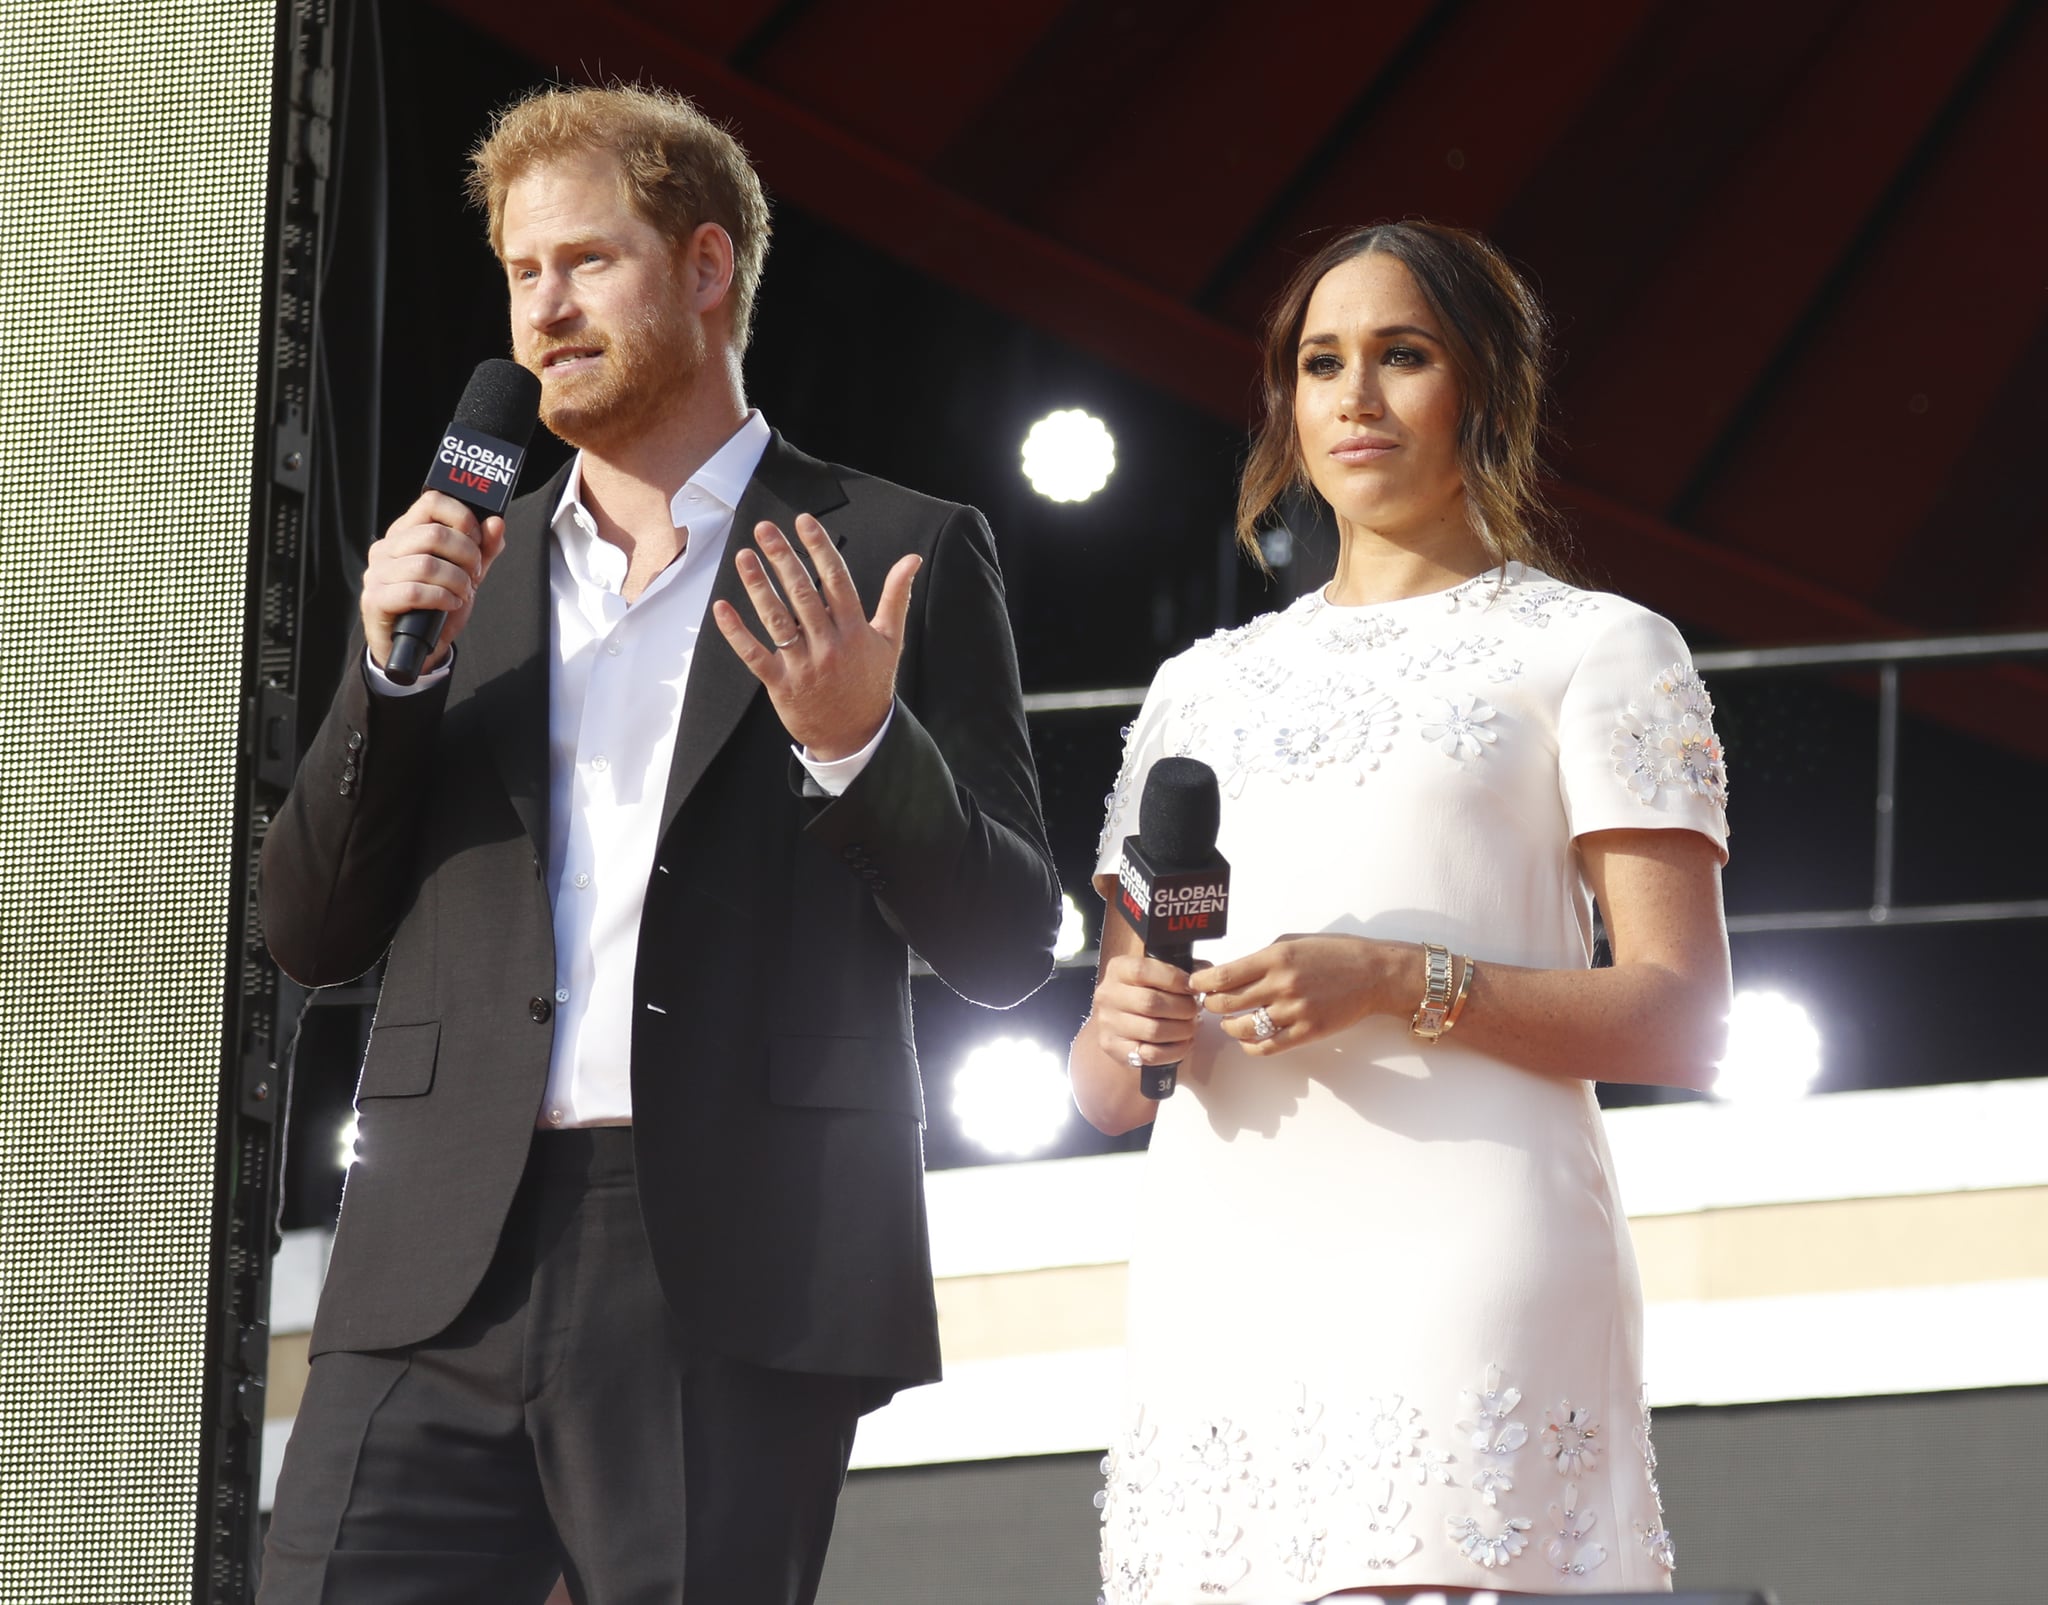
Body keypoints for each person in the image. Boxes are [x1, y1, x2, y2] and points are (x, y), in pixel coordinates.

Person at [258, 83, 1059, 1604]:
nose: (542, 311)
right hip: (434, 1250)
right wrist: (396, 675)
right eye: (518, 273)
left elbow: (1010, 941)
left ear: (705, 269)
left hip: (730, 1254)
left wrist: (857, 739)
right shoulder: (458, 574)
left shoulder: (893, 548)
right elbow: (307, 927)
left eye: (585, 264)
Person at [1070, 222, 1731, 1602]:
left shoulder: (1595, 646)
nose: (1355, 397)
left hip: (1469, 1248)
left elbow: (1683, 1019)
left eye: (1402, 355)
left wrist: (1395, 977)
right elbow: (1108, 1086)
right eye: (1322, 363)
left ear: (1483, 390)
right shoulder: (1200, 684)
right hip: (1225, 1262)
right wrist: (1127, 1021)